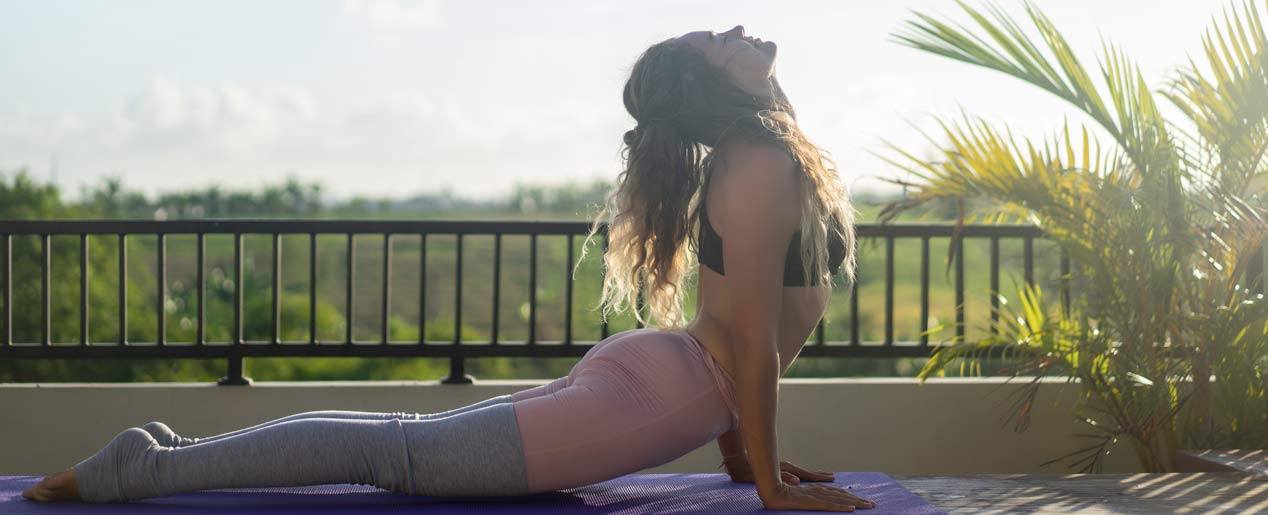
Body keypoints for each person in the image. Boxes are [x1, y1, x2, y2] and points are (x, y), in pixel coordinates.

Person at [22, 25, 873, 512]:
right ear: (713, 88)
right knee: (398, 454)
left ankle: (165, 453)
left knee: (401, 444)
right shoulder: (757, 160)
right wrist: (767, 487)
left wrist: (745, 464)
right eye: (715, 38)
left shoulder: (760, 148)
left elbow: (738, 333)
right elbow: (750, 340)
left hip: (663, 375)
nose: (734, 28)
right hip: (662, 386)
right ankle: (145, 466)